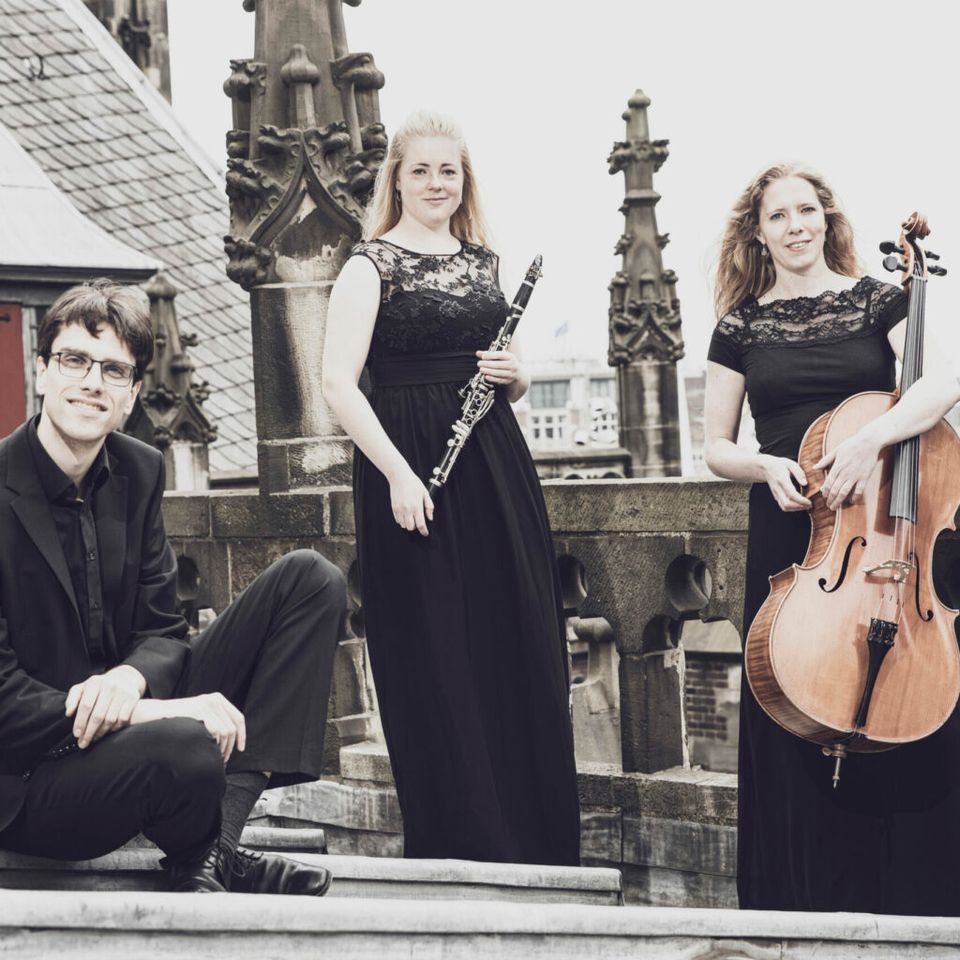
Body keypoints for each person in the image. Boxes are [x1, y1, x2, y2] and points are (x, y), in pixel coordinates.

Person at [0, 279, 346, 895]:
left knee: (310, 579)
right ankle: (214, 853)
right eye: (75, 360)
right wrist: (149, 709)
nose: (92, 382)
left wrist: (128, 680)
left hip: (133, 721)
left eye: (114, 370)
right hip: (34, 774)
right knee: (185, 741)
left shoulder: (139, 469)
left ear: (133, 392)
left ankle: (214, 851)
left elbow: (162, 631)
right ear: (42, 370)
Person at [322, 112, 580, 866]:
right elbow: (338, 384)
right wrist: (398, 473)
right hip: (410, 473)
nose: (437, 183)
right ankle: (464, 842)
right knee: (437, 650)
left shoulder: (484, 263)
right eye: (422, 171)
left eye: (449, 171)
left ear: (464, 181)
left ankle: (535, 844)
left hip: (493, 463)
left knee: (515, 633)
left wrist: (517, 376)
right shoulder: (369, 265)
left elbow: (513, 377)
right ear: (396, 180)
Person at [704, 163, 960, 914]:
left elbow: (942, 384)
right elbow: (715, 446)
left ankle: (914, 896)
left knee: (907, 696)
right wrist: (763, 465)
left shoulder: (879, 299)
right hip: (794, 528)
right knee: (791, 701)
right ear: (758, 234)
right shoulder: (739, 327)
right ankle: (804, 901)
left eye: (806, 211)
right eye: (779, 216)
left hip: (881, 520)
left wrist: (870, 439)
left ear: (827, 219)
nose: (796, 226)